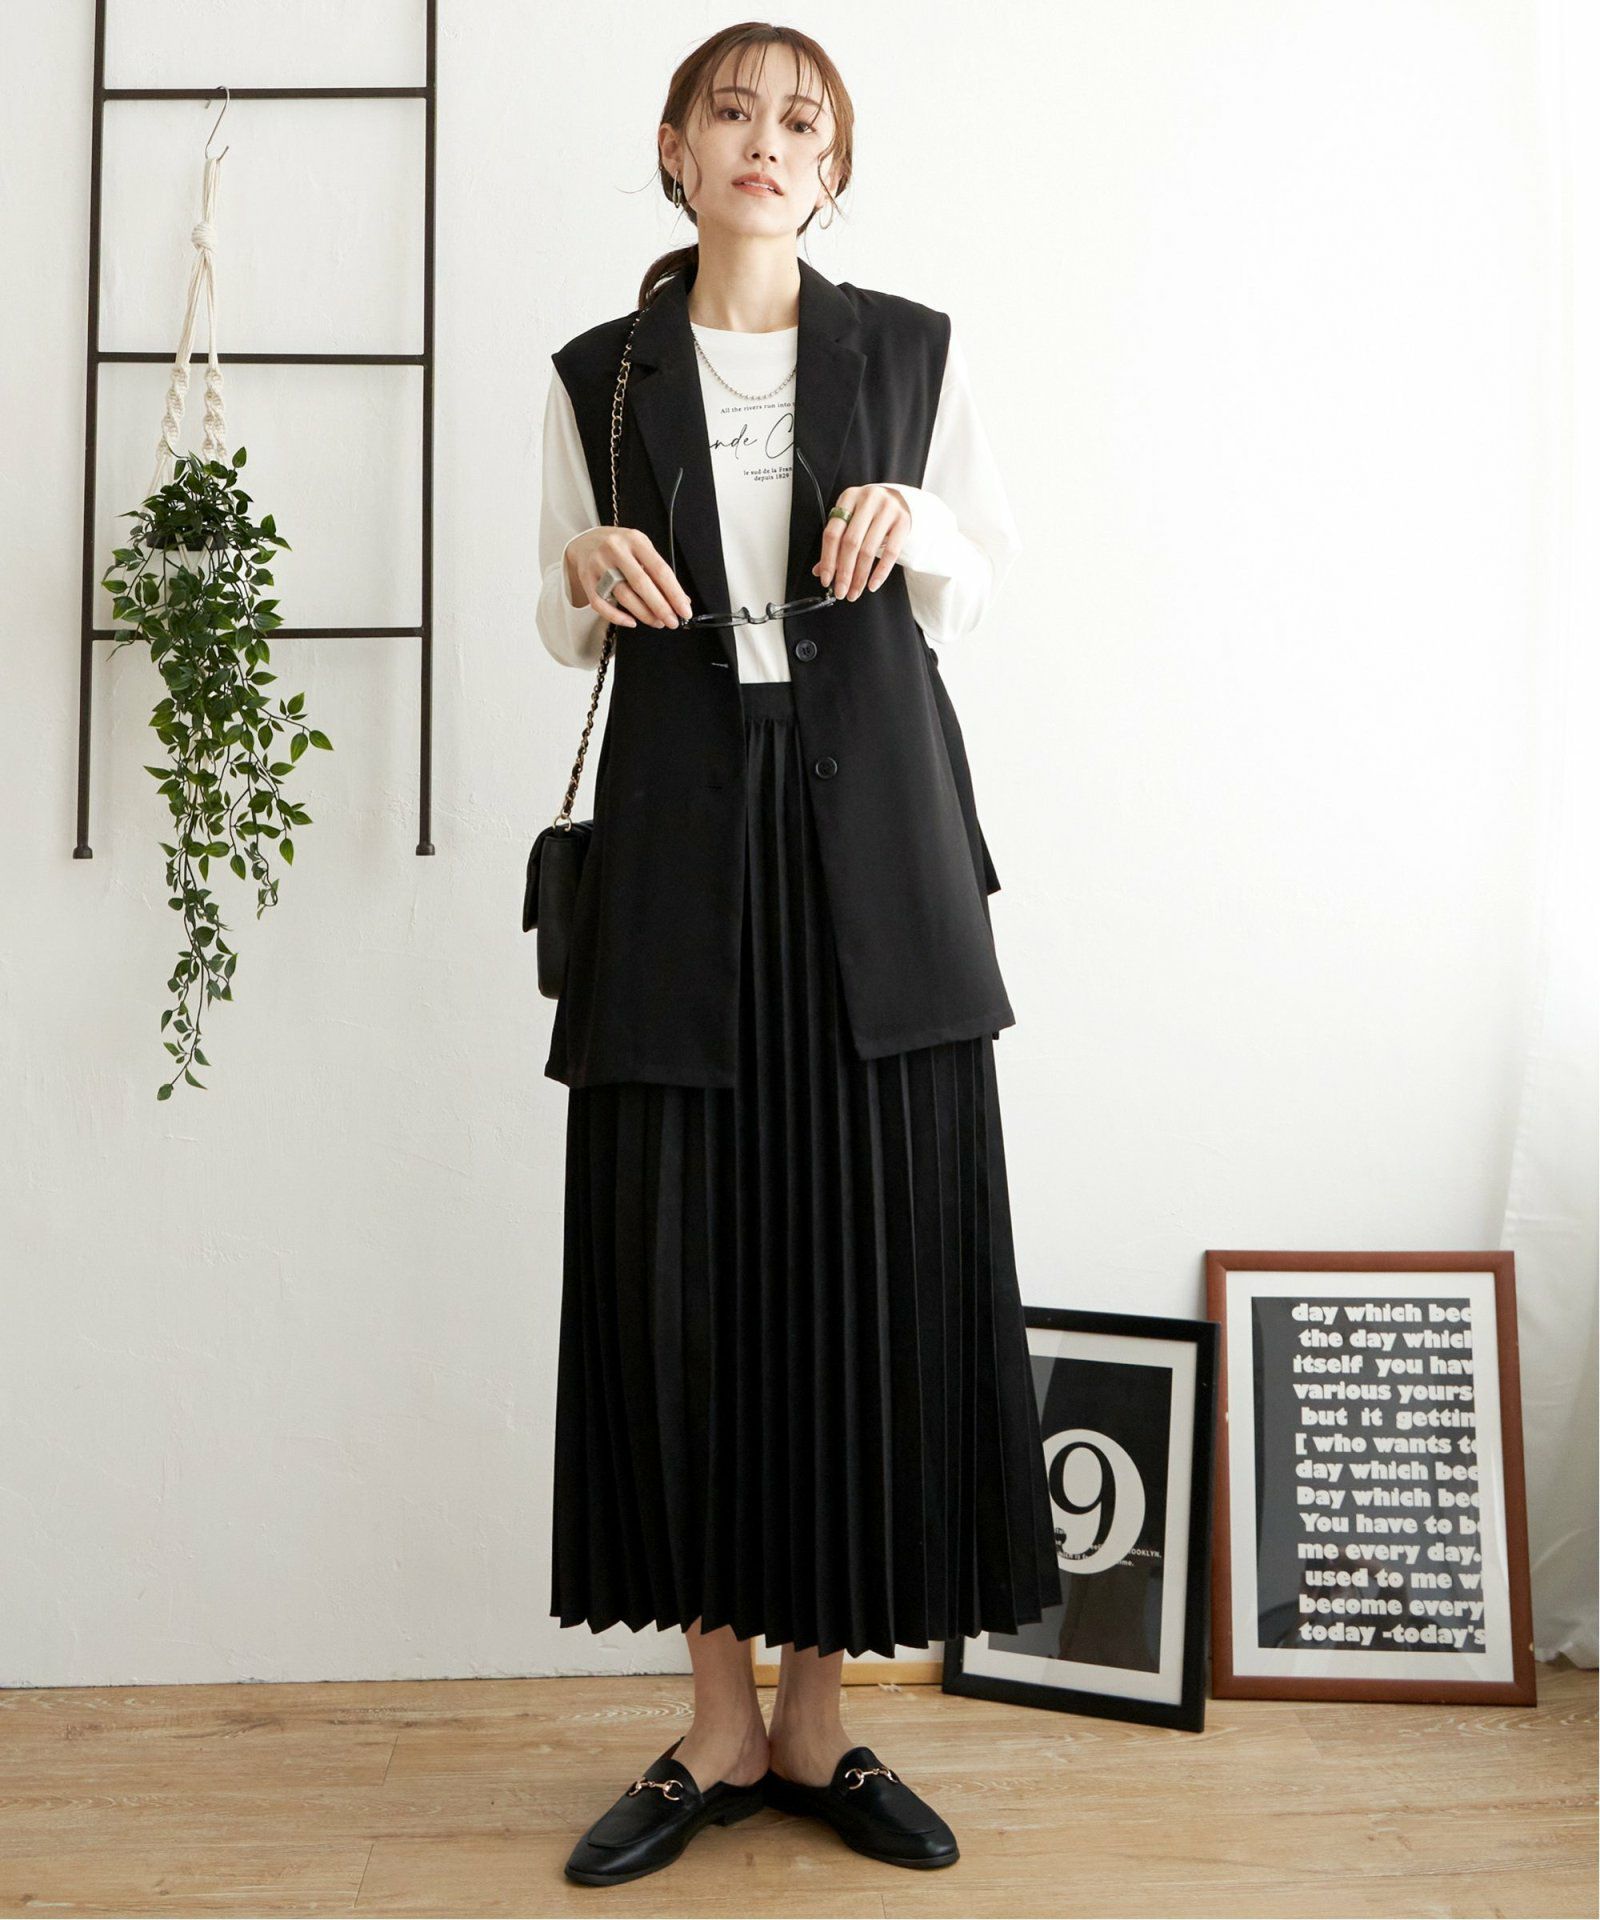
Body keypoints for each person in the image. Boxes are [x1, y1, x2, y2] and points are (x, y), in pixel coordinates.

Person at [534, 21, 1059, 1888]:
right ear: (675, 146)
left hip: (878, 859)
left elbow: (981, 573)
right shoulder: (597, 375)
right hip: (684, 854)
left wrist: (920, 521)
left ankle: (821, 1720)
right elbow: (562, 612)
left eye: (802, 121)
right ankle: (714, 1723)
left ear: (834, 170)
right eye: (734, 111)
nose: (767, 140)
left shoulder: (909, 350)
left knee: (867, 1263)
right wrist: (583, 572)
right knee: (675, 1269)